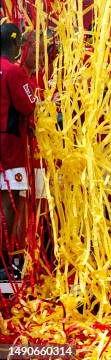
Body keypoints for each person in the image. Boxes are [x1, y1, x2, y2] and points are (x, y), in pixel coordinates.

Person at [0, 23, 38, 280]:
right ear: (15, 45)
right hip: (10, 147)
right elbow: (27, 105)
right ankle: (7, 260)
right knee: (11, 202)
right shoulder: (13, 71)